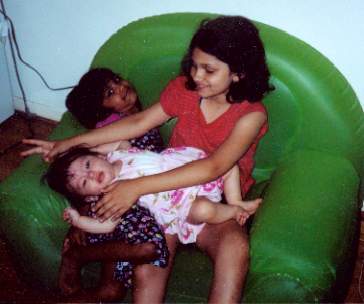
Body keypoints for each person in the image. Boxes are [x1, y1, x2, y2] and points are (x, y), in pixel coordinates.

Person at [22, 15, 272, 303]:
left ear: (238, 72)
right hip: (163, 196)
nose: (196, 76)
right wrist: (68, 143)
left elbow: (215, 166)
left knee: (235, 247)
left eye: (209, 70)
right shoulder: (185, 90)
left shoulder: (251, 115)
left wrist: (137, 187)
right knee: (147, 269)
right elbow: (138, 122)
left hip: (213, 198)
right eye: (194, 65)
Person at [66, 67, 164, 152]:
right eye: (110, 92)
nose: (121, 87)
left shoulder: (139, 106)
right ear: (101, 109)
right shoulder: (110, 125)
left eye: (117, 80)